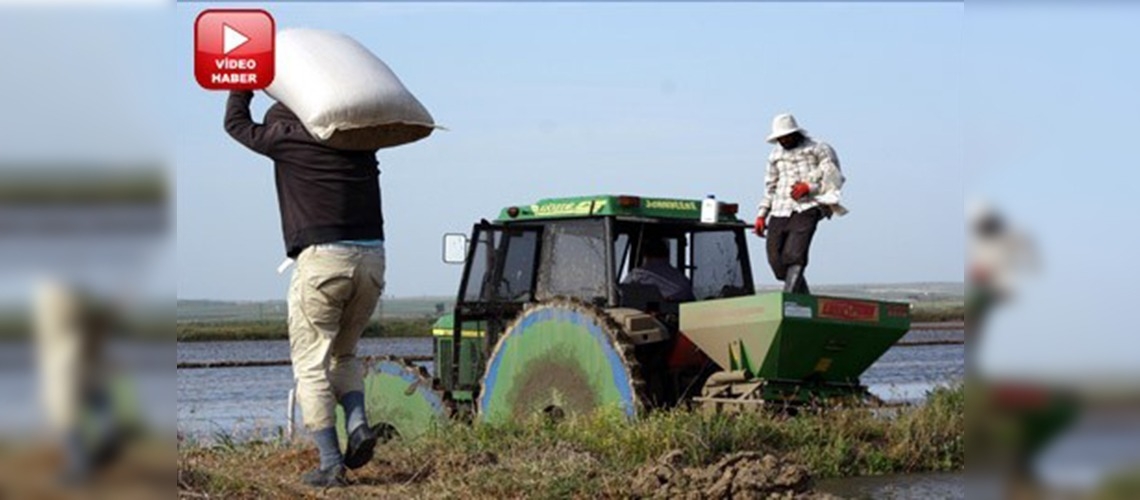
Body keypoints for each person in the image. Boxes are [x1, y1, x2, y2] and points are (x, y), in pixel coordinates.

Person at [225, 91, 386, 487]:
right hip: (373, 260)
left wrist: (243, 85)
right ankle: (358, 422)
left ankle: (331, 464)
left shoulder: (286, 137)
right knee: (344, 354)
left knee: (311, 365)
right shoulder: (359, 140)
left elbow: (235, 124)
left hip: (323, 261)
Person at [753, 113, 847, 294]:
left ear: (796, 133)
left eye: (787, 136)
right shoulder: (775, 155)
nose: (784, 140)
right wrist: (761, 214)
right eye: (780, 137)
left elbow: (835, 178)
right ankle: (805, 299)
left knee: (794, 254)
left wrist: (809, 187)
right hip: (780, 208)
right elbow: (770, 186)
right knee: (777, 261)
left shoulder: (819, 149)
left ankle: (787, 300)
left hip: (808, 206)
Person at [622, 237, 695, 302]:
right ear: (667, 255)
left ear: (645, 255)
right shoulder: (682, 279)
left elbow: (622, 294)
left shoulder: (637, 276)